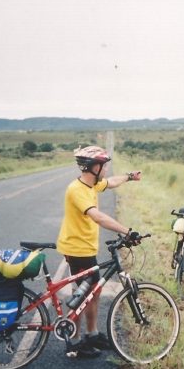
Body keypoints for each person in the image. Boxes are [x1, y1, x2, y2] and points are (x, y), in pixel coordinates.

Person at [57, 145, 142, 357]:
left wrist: (130, 177)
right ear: (92, 167)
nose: (105, 169)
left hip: (85, 247)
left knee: (93, 291)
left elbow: (111, 182)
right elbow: (98, 217)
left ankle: (91, 334)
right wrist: (126, 231)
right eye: (103, 165)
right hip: (77, 249)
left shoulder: (92, 185)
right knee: (83, 294)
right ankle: (74, 342)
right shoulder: (77, 190)